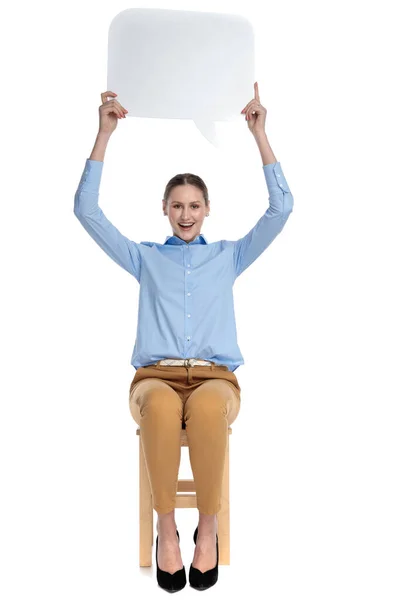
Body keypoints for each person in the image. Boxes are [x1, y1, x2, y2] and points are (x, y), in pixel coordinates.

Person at [73, 83, 294, 592]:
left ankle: (208, 530)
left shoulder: (230, 257)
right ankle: (167, 530)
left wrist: (260, 134)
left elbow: (281, 210)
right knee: (161, 406)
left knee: (210, 406)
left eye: (195, 204)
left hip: (217, 379)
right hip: (155, 378)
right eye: (178, 205)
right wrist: (104, 133)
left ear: (208, 208)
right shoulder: (145, 257)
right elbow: (87, 211)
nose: (187, 214)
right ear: (165, 210)